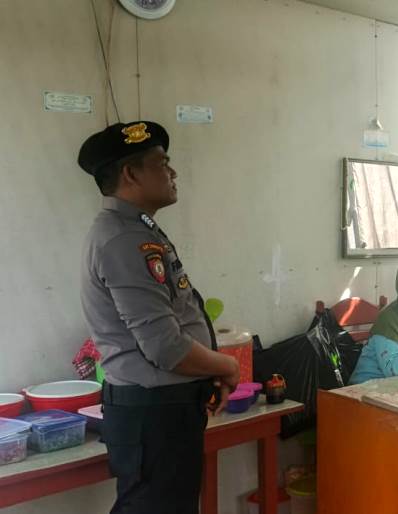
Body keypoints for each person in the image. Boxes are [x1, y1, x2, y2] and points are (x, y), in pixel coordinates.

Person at [78, 121, 240, 514]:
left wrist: (208, 372)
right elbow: (165, 347)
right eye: (162, 163)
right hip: (154, 416)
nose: (173, 172)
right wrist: (227, 365)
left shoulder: (136, 230)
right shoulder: (124, 239)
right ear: (131, 174)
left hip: (163, 412)